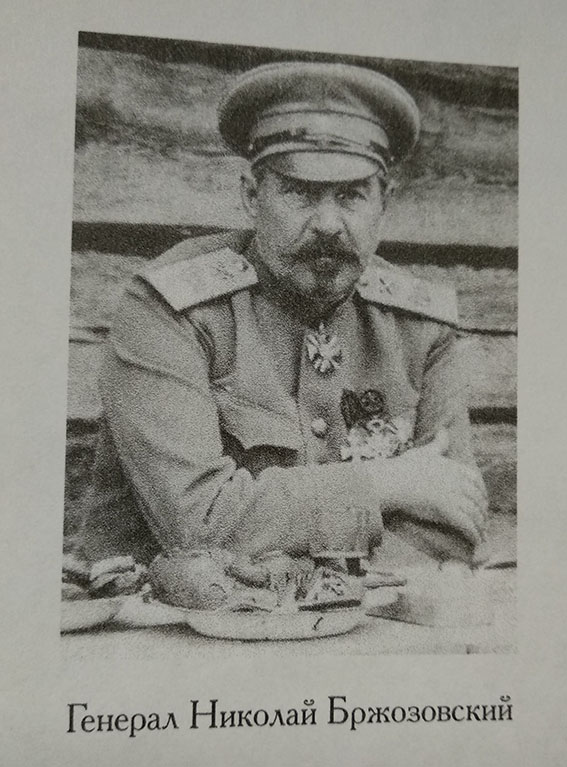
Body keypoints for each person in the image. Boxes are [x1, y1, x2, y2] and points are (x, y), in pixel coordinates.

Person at [77, 62, 488, 570]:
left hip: (375, 614)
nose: (328, 224)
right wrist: (389, 484)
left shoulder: (420, 325)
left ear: (385, 203)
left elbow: (454, 527)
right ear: (252, 196)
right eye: (300, 192)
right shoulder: (171, 309)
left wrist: (290, 549)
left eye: (351, 195)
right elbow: (197, 524)